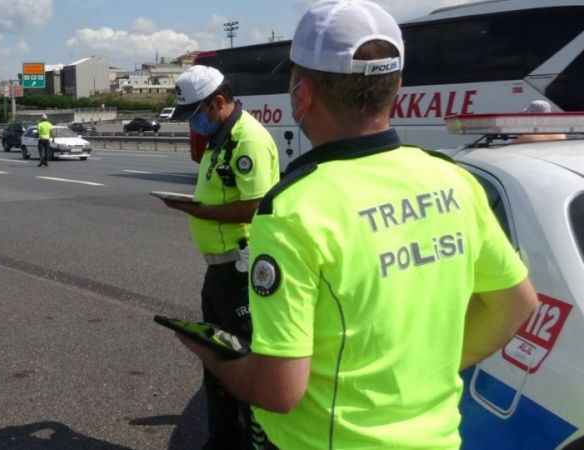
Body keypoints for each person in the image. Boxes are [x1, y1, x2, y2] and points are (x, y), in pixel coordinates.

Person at [176, 2, 540, 450]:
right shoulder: (455, 180)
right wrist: (421, 370)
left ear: (301, 95)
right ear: (397, 87)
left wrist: (212, 355)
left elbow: (279, 390)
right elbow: (517, 304)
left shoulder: (294, 210)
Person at [161, 65, 280, 450]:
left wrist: (198, 211)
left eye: (195, 114)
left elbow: (256, 205)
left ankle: (250, 441)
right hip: (220, 269)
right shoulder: (220, 138)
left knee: (241, 360)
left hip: (241, 270)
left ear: (217, 102)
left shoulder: (248, 139)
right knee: (217, 359)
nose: (192, 123)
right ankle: (222, 439)